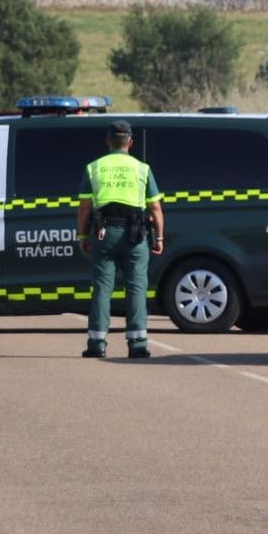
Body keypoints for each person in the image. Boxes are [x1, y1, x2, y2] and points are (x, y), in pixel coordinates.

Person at [77, 120, 165, 359]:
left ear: (108, 141)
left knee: (102, 288)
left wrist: (83, 235)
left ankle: (97, 343)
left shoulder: (94, 167)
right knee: (136, 287)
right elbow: (155, 207)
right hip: (135, 235)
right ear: (131, 142)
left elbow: (85, 207)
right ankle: (137, 344)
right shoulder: (142, 168)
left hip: (103, 233)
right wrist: (159, 238)